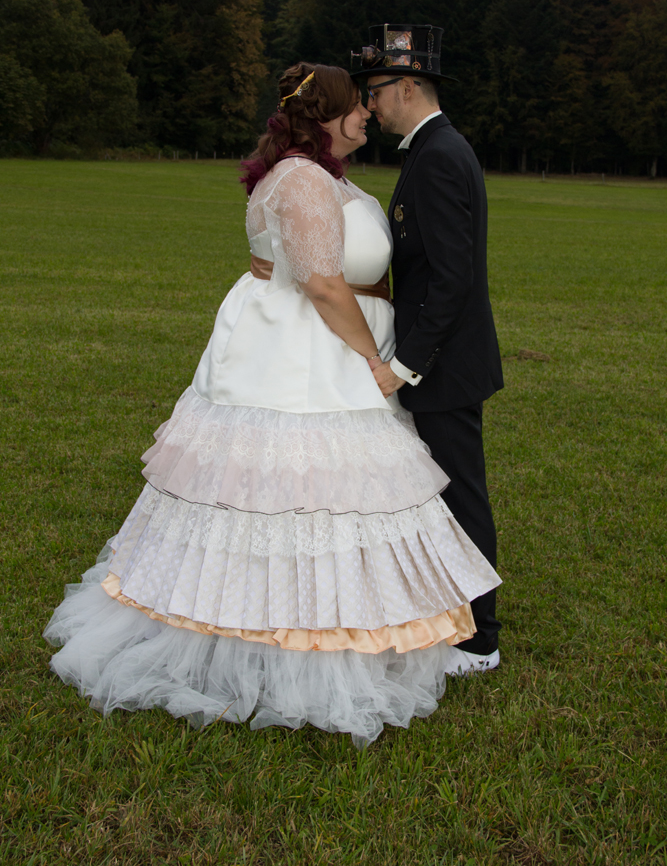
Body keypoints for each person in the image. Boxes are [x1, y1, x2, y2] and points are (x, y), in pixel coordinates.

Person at [44, 62, 500, 747]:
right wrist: (376, 361)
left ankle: (352, 610)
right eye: (357, 107)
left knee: (330, 499)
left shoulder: (323, 176)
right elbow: (320, 282)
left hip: (330, 348)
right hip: (312, 356)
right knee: (300, 493)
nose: (367, 115)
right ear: (327, 117)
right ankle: (282, 633)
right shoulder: (304, 180)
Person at [351, 25, 504, 671]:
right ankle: (450, 616)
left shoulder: (438, 154)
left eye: (375, 91)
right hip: (438, 357)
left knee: (459, 494)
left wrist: (404, 366)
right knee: (445, 491)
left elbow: (450, 278)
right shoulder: (430, 149)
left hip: (441, 363)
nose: (368, 105)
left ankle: (479, 638)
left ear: (407, 85)